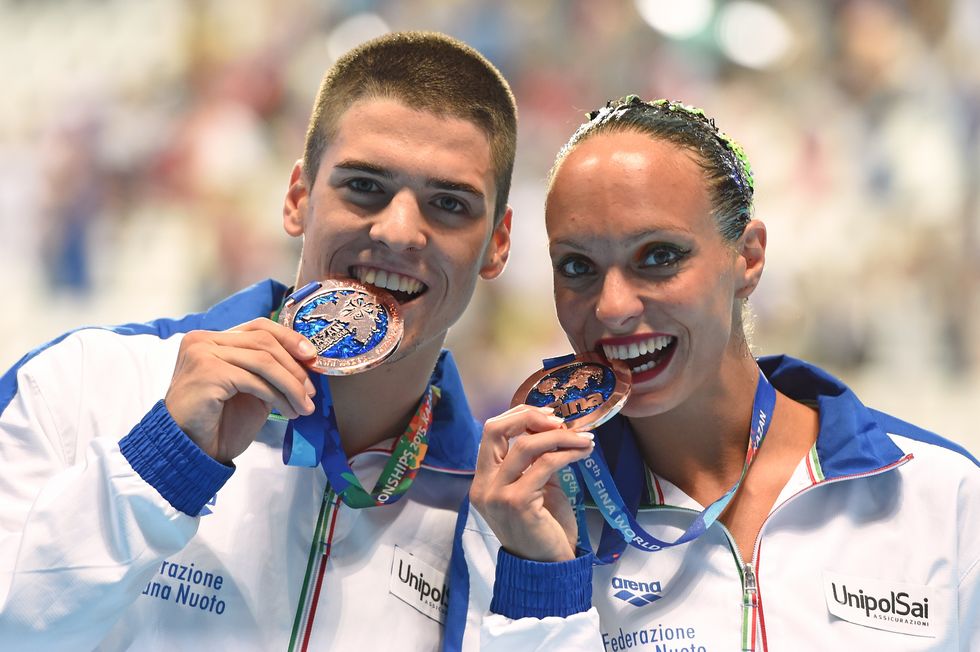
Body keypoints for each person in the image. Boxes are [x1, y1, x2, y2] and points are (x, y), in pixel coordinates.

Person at [0, 31, 516, 651]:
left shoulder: (495, 509)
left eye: (449, 204)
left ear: (498, 245)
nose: (400, 231)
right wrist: (161, 464)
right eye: (364, 186)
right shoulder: (84, 383)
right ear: (298, 197)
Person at [447, 96, 979, 651]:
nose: (613, 307)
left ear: (747, 258)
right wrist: (543, 581)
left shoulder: (941, 495)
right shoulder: (518, 511)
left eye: (658, 256)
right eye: (578, 267)